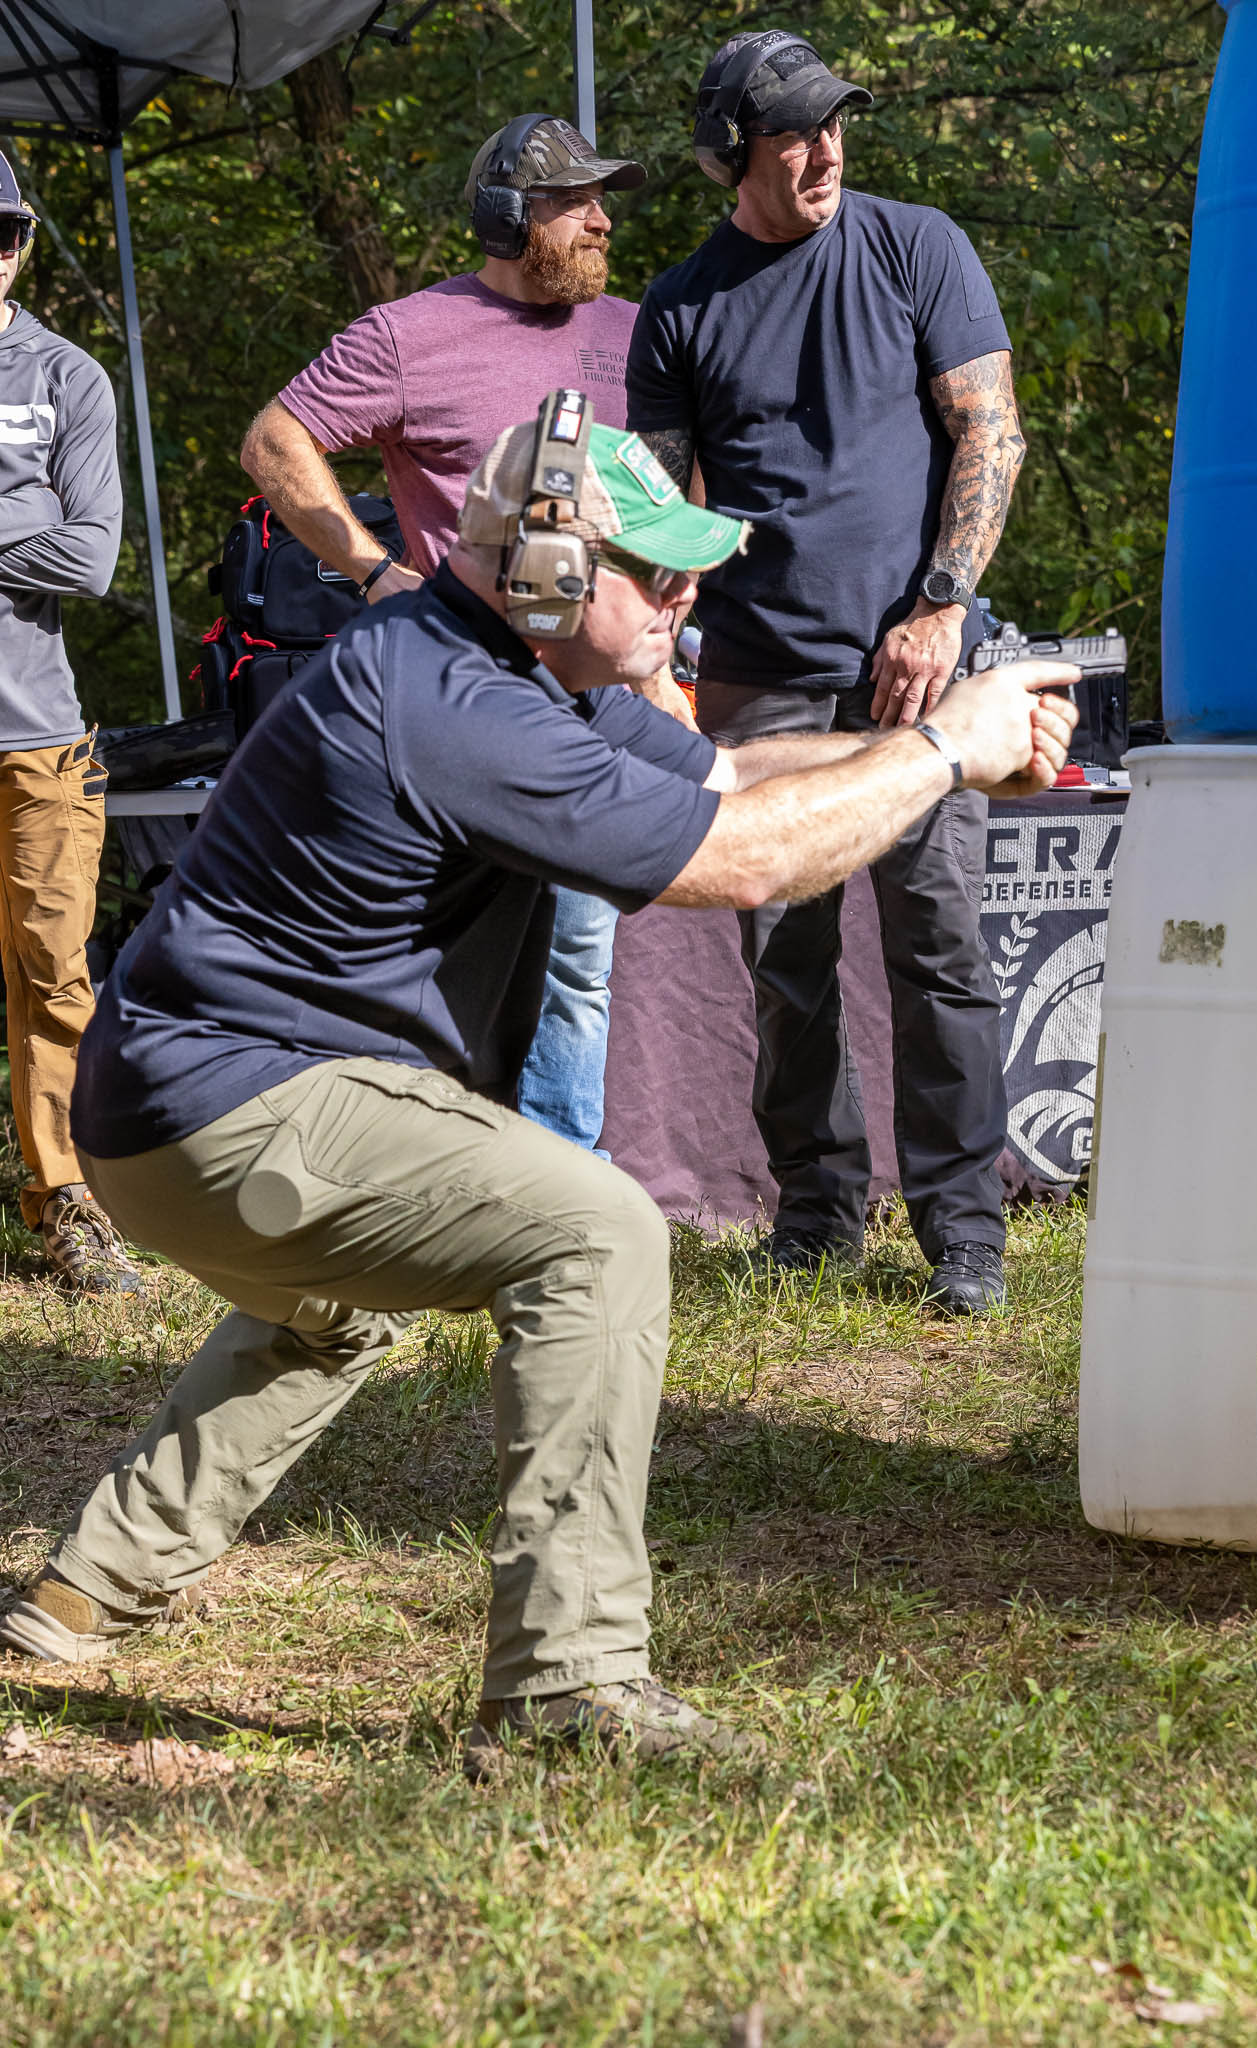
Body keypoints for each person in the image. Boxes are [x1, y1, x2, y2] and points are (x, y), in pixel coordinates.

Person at [0, 404, 1078, 1768]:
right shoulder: (458, 705)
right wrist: (941, 753)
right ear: (545, 568)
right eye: (655, 568)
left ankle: (84, 1590)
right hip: (225, 1112)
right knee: (597, 1228)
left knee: (335, 1312)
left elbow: (736, 773)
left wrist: (938, 751)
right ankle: (568, 1690)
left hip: (176, 1105)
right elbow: (744, 860)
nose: (689, 593)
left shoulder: (499, 671)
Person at [627, 31, 1031, 1314]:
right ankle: (815, 1214)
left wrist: (937, 609)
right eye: (793, 132)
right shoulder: (679, 304)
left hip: (914, 663)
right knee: (786, 957)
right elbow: (652, 503)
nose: (824, 149)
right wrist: (657, 605)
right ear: (730, 156)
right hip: (756, 678)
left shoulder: (916, 245)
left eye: (833, 123)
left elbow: (990, 434)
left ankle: (963, 1233)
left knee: (939, 946)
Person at [240, 114, 677, 1159]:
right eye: (576, 204)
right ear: (505, 218)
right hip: (458, 698)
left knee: (576, 960)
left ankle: (561, 1188)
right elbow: (273, 441)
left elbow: (678, 473)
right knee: (435, 963)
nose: (602, 221)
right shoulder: (407, 336)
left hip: (598, 692)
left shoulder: (636, 328)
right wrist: (375, 571)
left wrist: (668, 612)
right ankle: (413, 1188)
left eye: (600, 201)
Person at [0, 149, 134, 1293]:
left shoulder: (67, 377)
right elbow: (49, 534)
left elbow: (89, 556)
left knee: (54, 973)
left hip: (37, 735)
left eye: (1, 233)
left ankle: (69, 1203)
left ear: (21, 243)